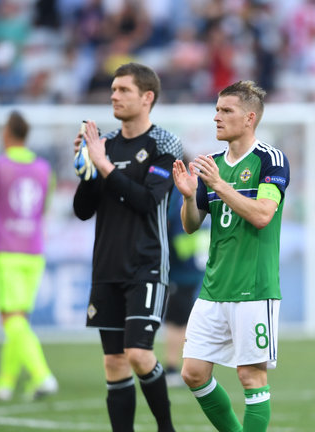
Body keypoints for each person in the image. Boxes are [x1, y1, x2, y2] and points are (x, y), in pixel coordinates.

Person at [172, 80, 289, 432]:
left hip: (253, 289)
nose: (217, 117)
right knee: (193, 373)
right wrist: (189, 197)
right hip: (213, 288)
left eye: (226, 111)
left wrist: (221, 185)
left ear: (249, 118)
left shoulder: (270, 160)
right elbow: (192, 225)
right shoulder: (212, 164)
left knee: (250, 377)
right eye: (217, 110)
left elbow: (262, 214)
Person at [72, 62, 182, 432]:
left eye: (123, 90)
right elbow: (83, 210)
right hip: (106, 266)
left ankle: (165, 428)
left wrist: (104, 166)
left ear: (146, 97)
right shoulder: (104, 145)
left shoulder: (164, 145)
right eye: (113, 90)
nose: (114, 96)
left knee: (138, 354)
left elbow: (146, 202)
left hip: (146, 265)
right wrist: (89, 170)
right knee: (114, 363)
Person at [0, 111, 56, 401]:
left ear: (7, 133)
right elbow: (44, 206)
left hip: (6, 250)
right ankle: (5, 383)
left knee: (11, 318)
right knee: (18, 320)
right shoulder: (44, 169)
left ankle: (42, 376)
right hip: (34, 250)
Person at [163, 189, 204, 388]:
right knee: (178, 322)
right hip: (181, 271)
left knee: (182, 321)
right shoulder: (178, 197)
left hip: (188, 270)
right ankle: (172, 368)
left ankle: (177, 368)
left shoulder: (181, 196)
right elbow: (179, 239)